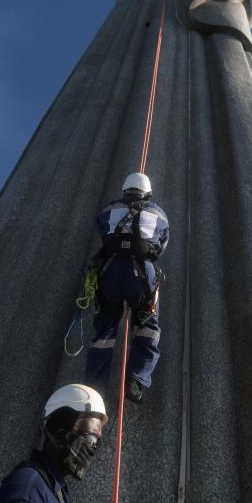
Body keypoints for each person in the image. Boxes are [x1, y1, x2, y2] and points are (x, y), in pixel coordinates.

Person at [0, 384, 107, 503]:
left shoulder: (54, 490)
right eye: (90, 438)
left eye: (97, 443)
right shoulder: (27, 494)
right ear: (59, 434)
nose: (93, 448)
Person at [84, 172, 169, 404]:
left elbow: (102, 230)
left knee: (105, 328)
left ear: (124, 190)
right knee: (148, 326)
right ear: (148, 193)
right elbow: (161, 245)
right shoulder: (159, 213)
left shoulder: (108, 209)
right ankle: (136, 379)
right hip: (142, 272)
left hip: (110, 270)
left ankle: (94, 388)